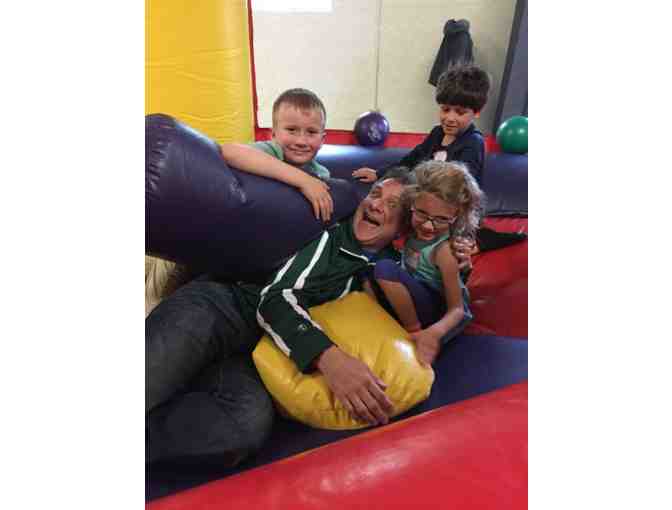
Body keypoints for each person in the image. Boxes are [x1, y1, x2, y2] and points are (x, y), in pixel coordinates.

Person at [146, 169, 415, 467]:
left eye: (392, 204)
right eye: (375, 193)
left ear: (401, 230)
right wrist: (330, 358)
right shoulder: (331, 232)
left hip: (257, 352)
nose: (376, 204)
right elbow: (274, 299)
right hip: (220, 309)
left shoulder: (385, 271)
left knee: (243, 427)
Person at [370, 160, 484, 367]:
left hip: (437, 311)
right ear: (411, 204)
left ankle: (413, 331)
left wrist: (432, 333)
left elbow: (457, 309)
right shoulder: (412, 229)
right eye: (422, 213)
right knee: (367, 270)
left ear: (456, 217)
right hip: (415, 296)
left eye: (441, 219)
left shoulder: (443, 252)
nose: (429, 226)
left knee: (385, 268)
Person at [352, 62, 491, 185]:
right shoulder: (437, 133)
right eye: (445, 109)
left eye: (459, 112)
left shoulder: (473, 142)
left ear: (477, 112)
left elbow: (461, 184)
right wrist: (379, 174)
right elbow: (410, 161)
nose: (450, 118)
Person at [220, 87, 335, 222]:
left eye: (311, 132)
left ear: (322, 140)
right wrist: (304, 180)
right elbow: (228, 151)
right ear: (274, 134)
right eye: (291, 130)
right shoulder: (272, 151)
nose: (301, 141)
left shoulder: (321, 173)